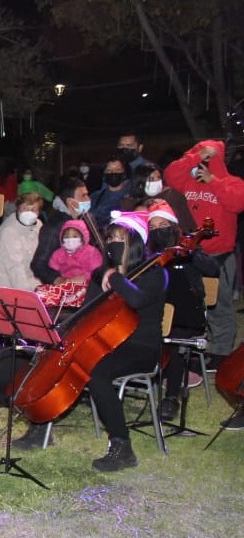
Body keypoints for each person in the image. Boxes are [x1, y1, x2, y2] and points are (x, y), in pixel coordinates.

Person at [87, 211, 166, 470]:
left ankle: (122, 447)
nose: (112, 245)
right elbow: (88, 312)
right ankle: (42, 426)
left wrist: (116, 276)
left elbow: (137, 300)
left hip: (142, 347)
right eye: (109, 239)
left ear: (135, 244)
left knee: (98, 373)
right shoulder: (103, 276)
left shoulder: (154, 273)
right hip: (110, 343)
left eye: (119, 239)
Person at [165, 139, 244, 368]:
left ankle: (221, 353)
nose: (204, 161)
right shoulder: (187, 181)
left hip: (219, 256)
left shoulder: (232, 182)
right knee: (190, 303)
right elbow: (170, 174)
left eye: (209, 156)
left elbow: (238, 202)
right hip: (191, 255)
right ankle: (191, 347)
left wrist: (214, 181)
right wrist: (195, 156)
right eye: (201, 155)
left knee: (220, 305)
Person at [147, 201, 219, 422]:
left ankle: (170, 397)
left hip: (187, 314)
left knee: (174, 341)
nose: (158, 230)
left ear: (172, 225)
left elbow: (213, 269)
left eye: (162, 225)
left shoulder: (190, 249)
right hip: (158, 311)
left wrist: (190, 252)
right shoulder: (151, 253)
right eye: (153, 227)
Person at [0, 190, 43, 291]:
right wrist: (28, 293)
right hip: (7, 284)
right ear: (18, 209)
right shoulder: (9, 231)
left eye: (34, 210)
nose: (29, 213)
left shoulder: (38, 225)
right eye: (25, 209)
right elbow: (15, 267)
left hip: (31, 280)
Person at [90, 155, 132, 230]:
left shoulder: (132, 196)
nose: (113, 173)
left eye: (118, 170)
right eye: (109, 170)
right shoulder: (95, 197)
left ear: (124, 173)